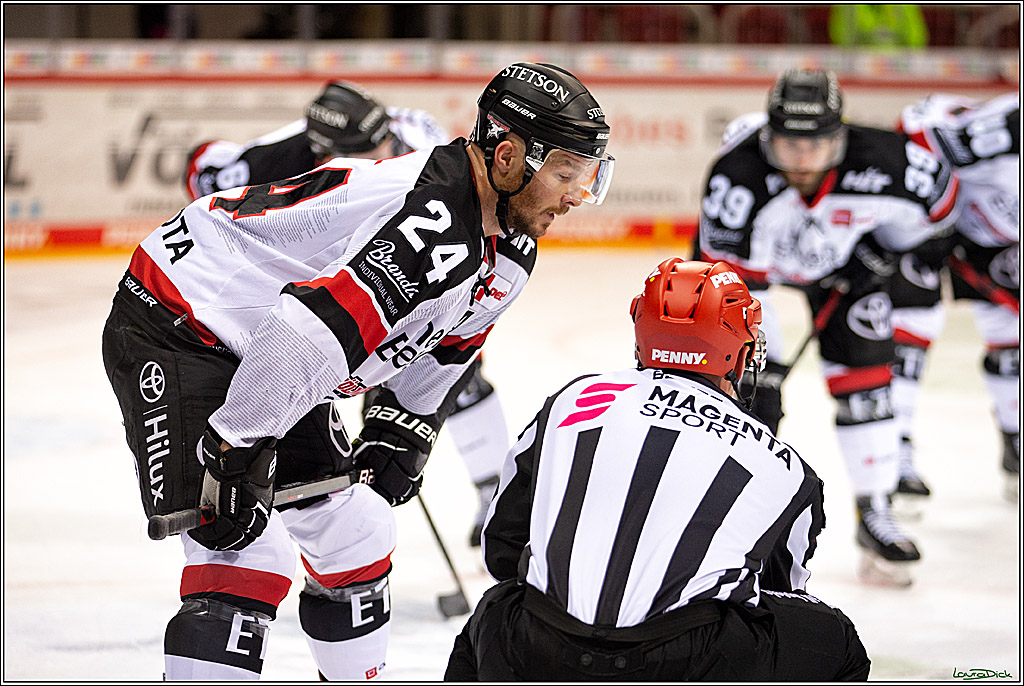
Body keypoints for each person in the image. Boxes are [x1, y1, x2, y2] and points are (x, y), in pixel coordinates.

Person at [101, 62, 615, 680]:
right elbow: (307, 332)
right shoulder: (437, 224)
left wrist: (408, 422)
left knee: (355, 535)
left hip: (271, 347)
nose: (578, 195)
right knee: (241, 550)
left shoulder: (510, 246)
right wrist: (238, 443)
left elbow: (449, 349)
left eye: (589, 177)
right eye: (566, 174)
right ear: (507, 158)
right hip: (184, 318)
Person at [444, 258, 870, 681]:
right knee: (838, 642)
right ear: (739, 355)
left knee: (494, 610)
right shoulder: (786, 467)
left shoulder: (573, 401)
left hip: (535, 644)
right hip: (688, 662)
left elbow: (500, 547)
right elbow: (778, 593)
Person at [185, 79, 511, 546]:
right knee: (295, 380)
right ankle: (302, 521)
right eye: (371, 150)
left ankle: (494, 492)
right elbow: (203, 168)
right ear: (324, 153)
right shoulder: (283, 156)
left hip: (416, 272)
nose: (386, 153)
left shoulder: (424, 149)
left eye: (387, 143)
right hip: (331, 282)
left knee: (454, 375)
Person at [697, 69, 959, 586]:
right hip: (750, 276)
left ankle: (875, 510)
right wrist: (761, 365)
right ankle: (722, 514)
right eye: (789, 145)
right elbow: (734, 281)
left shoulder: (889, 161)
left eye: (815, 145)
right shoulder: (738, 175)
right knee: (735, 396)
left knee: (867, 389)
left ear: (840, 136)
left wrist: (883, 250)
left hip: (845, 274)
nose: (801, 161)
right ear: (769, 137)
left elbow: (942, 210)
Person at [890, 93, 1019, 503]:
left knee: (1010, 338)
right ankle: (895, 452)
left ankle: (1016, 443)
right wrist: (929, 210)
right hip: (934, 211)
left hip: (994, 235)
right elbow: (921, 134)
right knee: (914, 321)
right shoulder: (1008, 129)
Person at [829, 5, 929, 49]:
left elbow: (917, 41)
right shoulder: (848, 6)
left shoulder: (905, 5)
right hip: (858, 73)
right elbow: (840, 39)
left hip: (898, 73)